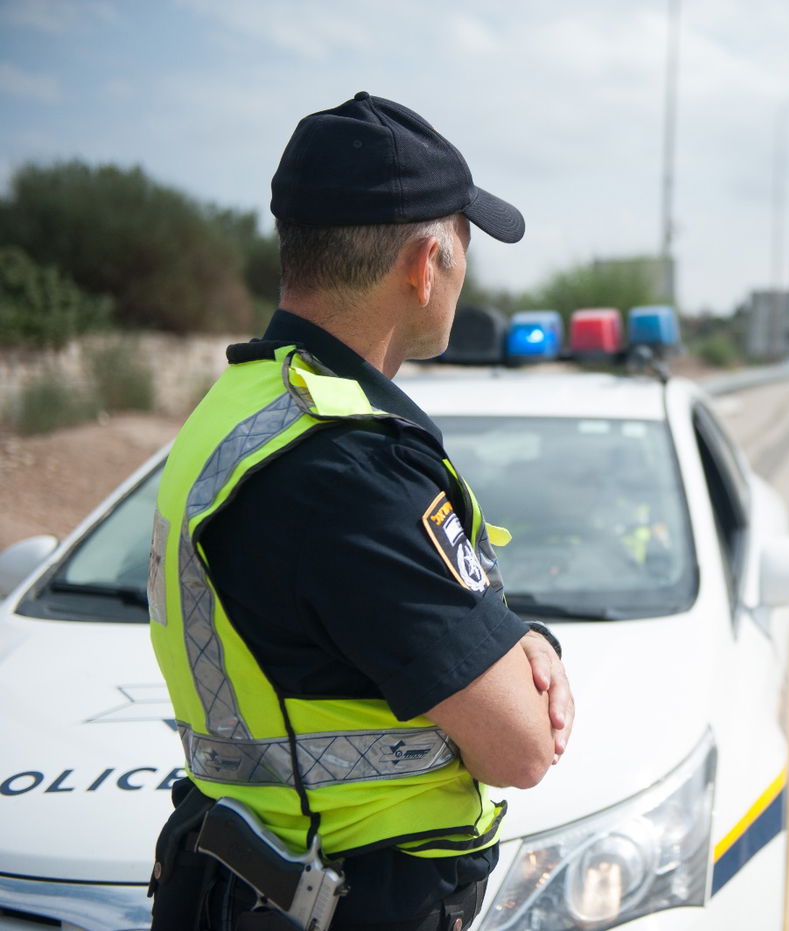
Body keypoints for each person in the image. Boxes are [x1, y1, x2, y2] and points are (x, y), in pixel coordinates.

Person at [146, 92, 574, 931]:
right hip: (339, 898)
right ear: (424, 264)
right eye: (464, 247)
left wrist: (512, 633)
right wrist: (520, 651)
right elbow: (519, 747)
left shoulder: (239, 408)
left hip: (248, 880)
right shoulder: (350, 468)